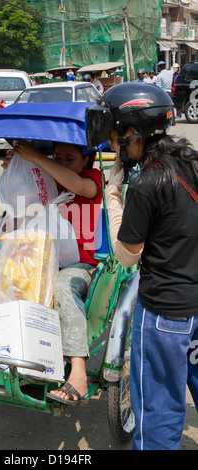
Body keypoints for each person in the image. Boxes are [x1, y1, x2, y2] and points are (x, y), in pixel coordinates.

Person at [86, 82, 198, 450]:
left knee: (158, 415)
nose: (112, 145)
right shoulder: (190, 162)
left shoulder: (148, 183)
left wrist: (114, 193)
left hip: (165, 316)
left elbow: (126, 254)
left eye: (114, 135)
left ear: (132, 132)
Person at [3, 140, 103, 404]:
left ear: (85, 160)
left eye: (68, 159)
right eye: (56, 157)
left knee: (61, 285)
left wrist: (37, 157)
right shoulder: (45, 179)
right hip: (40, 254)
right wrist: (18, 170)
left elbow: (78, 186)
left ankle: (78, 373)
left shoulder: (92, 179)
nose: (60, 163)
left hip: (80, 264)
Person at [156, 60, 175, 124]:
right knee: (171, 107)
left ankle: (167, 121)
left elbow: (158, 87)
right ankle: (173, 121)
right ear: (165, 66)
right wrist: (172, 67)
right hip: (170, 92)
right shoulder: (170, 72)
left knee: (164, 108)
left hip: (163, 93)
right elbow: (173, 69)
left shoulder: (159, 76)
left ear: (159, 68)